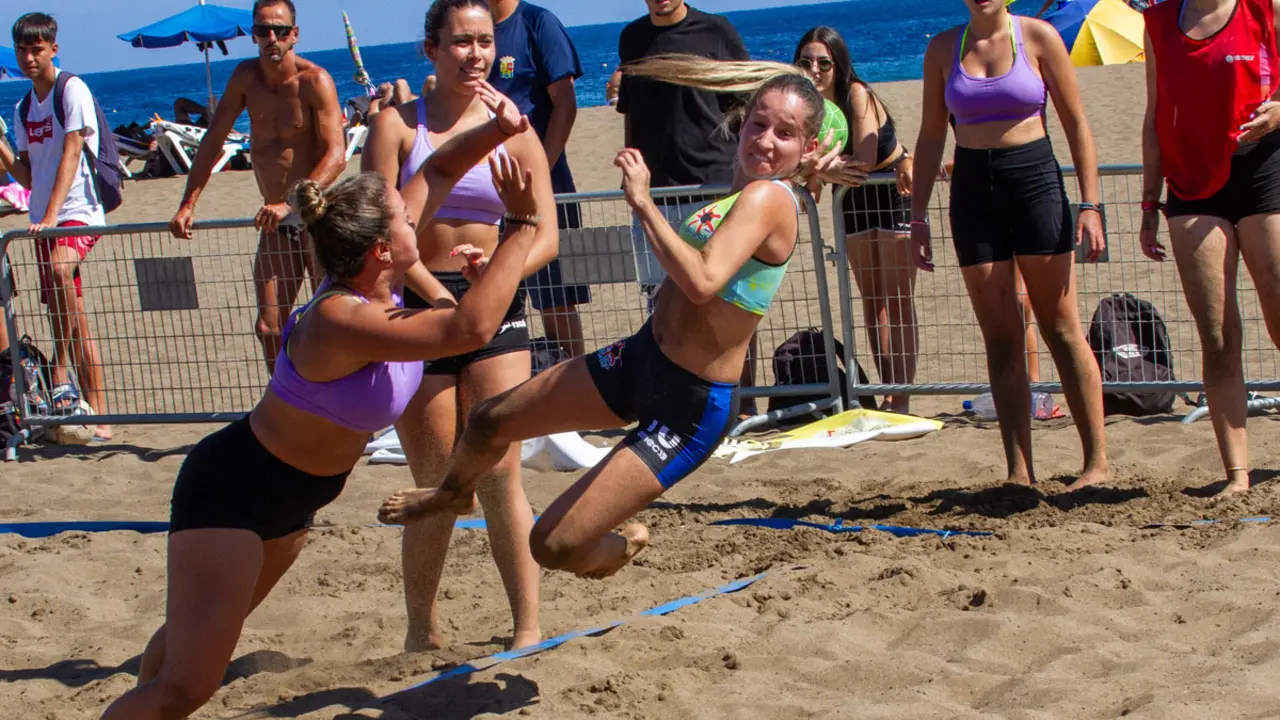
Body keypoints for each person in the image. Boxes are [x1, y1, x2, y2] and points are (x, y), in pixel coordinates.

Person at [100, 95, 537, 720]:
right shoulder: (340, 317)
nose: (421, 223)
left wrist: (498, 128)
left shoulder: (374, 274)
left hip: (293, 502)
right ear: (382, 251)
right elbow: (468, 329)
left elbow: (436, 172)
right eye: (407, 223)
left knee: (181, 652)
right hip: (233, 494)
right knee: (189, 686)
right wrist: (518, 229)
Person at [380, 57, 822, 580]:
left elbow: (702, 282)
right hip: (641, 358)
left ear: (806, 146)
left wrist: (641, 201)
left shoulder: (769, 196)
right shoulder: (750, 186)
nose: (766, 140)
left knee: (552, 545)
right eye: (759, 124)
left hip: (689, 406)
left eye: (785, 134)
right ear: (742, 123)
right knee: (488, 421)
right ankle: (452, 496)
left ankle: (618, 547)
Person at [361, 0, 558, 652]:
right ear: (431, 49)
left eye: (482, 42)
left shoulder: (515, 126)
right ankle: (422, 628)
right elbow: (383, 235)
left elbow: (547, 235)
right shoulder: (395, 126)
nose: (474, 54)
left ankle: (527, 626)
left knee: (501, 469)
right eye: (459, 43)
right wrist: (441, 304)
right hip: (420, 303)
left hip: (494, 296)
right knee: (435, 479)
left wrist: (497, 274)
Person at [910, 0, 1109, 489]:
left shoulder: (1038, 37)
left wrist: (1091, 204)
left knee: (1061, 330)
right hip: (974, 190)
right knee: (1001, 338)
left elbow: (1076, 121)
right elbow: (932, 135)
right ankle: (1020, 471)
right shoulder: (942, 49)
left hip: (1035, 180)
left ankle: (1096, 463)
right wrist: (917, 214)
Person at [1139, 0, 1280, 496]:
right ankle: (1237, 475)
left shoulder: (1265, 10)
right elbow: (1154, 116)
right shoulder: (1157, 23)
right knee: (1218, 336)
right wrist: (1148, 204)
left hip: (1265, 171)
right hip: (1192, 186)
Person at [168, 0, 347, 377]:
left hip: (316, 216)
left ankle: (340, 407)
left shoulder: (315, 81)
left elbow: (337, 155)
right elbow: (213, 139)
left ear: (294, 35)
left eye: (281, 30)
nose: (272, 38)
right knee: (269, 327)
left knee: (329, 322)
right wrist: (188, 204)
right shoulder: (245, 79)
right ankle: (284, 405)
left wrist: (292, 202)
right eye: (264, 30)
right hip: (275, 219)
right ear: (253, 34)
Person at [617, 0, 759, 416]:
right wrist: (632, 169)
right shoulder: (633, 37)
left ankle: (741, 405)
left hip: (711, 184)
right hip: (654, 193)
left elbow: (746, 106)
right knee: (660, 303)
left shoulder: (717, 31)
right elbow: (631, 111)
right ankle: (672, 401)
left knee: (725, 304)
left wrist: (743, 173)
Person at [795, 27, 918, 413]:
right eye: (805, 62)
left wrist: (820, 171)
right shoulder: (807, 108)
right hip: (850, 199)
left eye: (824, 62)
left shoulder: (857, 95)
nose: (815, 69)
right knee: (872, 302)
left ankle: (901, 396)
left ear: (839, 64)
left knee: (897, 299)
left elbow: (863, 160)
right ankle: (888, 389)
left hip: (890, 190)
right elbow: (805, 171)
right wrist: (816, 173)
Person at [0, 13, 110, 442]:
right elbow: (27, 176)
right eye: (23, 50)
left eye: (37, 49)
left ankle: (60, 372)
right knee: (73, 316)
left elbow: (71, 150)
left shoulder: (71, 89)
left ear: (53, 48)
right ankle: (99, 414)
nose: (29, 57)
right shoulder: (23, 106)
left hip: (77, 211)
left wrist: (53, 214)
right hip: (43, 221)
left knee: (63, 274)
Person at [490, 0, 591, 358]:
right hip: (486, 190)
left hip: (546, 184)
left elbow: (566, 104)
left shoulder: (538, 23)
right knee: (494, 301)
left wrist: (540, 173)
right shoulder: (470, 29)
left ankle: (571, 396)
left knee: (556, 302)